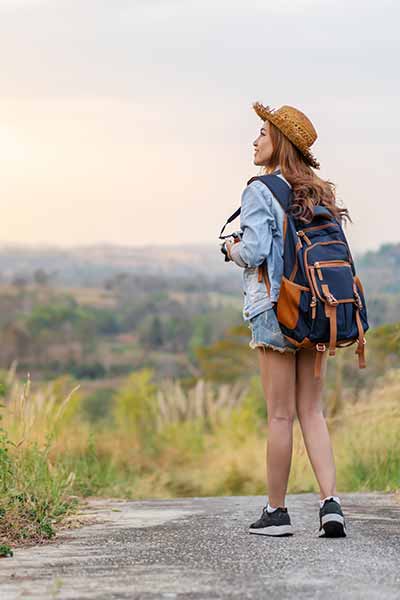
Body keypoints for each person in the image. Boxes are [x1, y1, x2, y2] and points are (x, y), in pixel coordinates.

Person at [223, 102, 348, 538]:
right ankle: (330, 505)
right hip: (320, 309)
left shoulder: (260, 190)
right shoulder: (319, 191)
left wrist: (230, 249)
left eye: (262, 132)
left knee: (280, 416)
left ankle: (276, 513)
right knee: (312, 411)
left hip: (276, 312)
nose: (255, 140)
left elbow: (255, 253)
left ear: (280, 142)